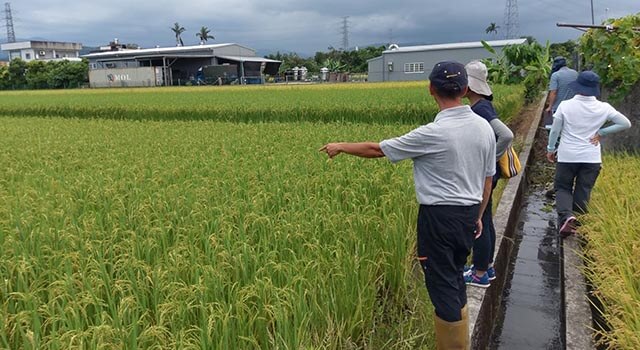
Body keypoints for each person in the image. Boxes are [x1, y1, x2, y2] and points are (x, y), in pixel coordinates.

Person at [319, 61, 496, 349]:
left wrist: (340, 146)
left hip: (438, 220)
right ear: (464, 90)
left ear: (430, 89)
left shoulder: (432, 133)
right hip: (468, 214)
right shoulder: (484, 128)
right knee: (453, 277)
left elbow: (378, 149)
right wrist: (477, 216)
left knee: (442, 287)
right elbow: (487, 179)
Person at [546, 70, 631, 237]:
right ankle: (577, 222)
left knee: (563, 187)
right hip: (591, 157)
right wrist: (601, 133)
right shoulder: (604, 107)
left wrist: (550, 149)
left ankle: (567, 217)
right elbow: (625, 123)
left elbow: (555, 130)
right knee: (583, 189)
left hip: (568, 156)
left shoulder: (566, 105)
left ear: (578, 86)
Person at [462, 61, 514, 288]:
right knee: (486, 219)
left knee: (479, 220)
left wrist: (489, 160)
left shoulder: (480, 110)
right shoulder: (482, 106)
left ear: (469, 87)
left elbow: (506, 135)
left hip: (484, 175)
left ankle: (479, 272)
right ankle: (487, 266)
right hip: (487, 175)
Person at [544, 57, 578, 128]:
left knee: (557, 128)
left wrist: (550, 107)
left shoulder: (556, 75)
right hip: (574, 106)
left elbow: (553, 92)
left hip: (559, 107)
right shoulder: (575, 73)